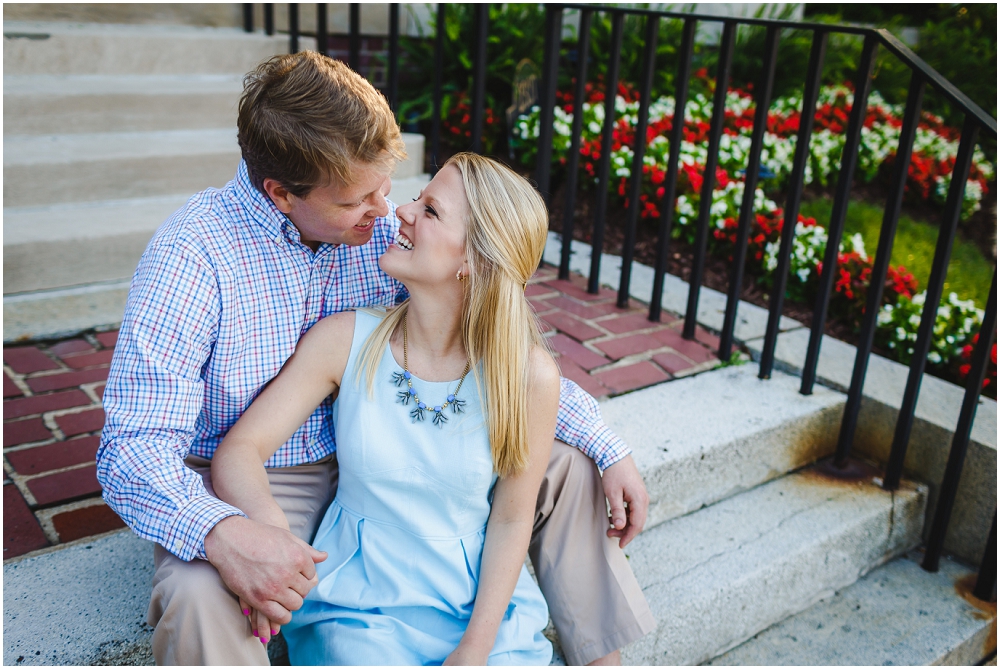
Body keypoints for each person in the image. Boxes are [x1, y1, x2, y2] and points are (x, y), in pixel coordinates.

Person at [97, 51, 654, 666]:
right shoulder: (192, 254)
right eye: (360, 199)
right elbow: (132, 448)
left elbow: (489, 343)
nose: (389, 211)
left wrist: (608, 444)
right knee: (198, 592)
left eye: (388, 187)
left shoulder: (384, 235)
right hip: (266, 474)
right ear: (281, 193)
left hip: (383, 438)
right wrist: (230, 532)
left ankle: (599, 654)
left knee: (569, 464)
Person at [212, 153, 559, 665]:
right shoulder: (345, 340)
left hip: (479, 613)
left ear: (474, 260)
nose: (402, 210)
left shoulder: (527, 377)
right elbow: (240, 448)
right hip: (358, 609)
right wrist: (271, 531)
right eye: (417, 198)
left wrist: (476, 649)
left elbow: (511, 521)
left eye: (431, 210)